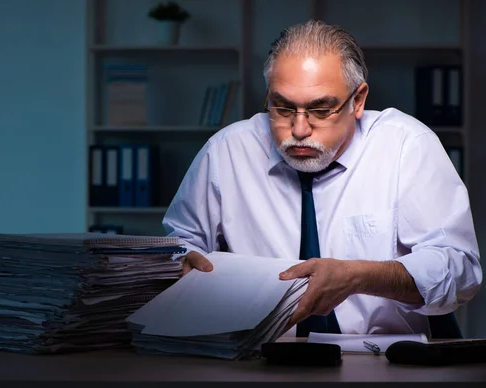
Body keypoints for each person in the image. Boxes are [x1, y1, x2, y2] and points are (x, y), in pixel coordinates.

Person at [161, 20, 482, 338]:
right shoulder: (227, 150)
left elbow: (460, 270)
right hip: (259, 359)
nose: (299, 130)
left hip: (382, 363)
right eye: (283, 108)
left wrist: (359, 276)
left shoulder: (405, 147)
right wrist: (182, 262)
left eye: (320, 109)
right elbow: (181, 243)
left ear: (358, 100)